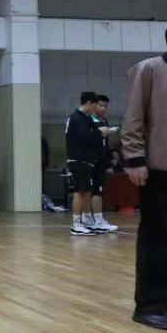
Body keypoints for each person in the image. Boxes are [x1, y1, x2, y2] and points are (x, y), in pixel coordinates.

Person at [121, 24, 167, 330]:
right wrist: (135, 159)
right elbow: (133, 118)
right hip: (158, 170)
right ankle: (150, 305)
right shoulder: (149, 70)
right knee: (157, 240)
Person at [65, 91, 103, 236]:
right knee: (80, 191)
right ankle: (76, 224)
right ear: (88, 103)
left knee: (86, 191)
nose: (95, 109)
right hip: (79, 159)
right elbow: (84, 138)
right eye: (94, 105)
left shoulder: (83, 118)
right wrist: (100, 133)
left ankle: (85, 221)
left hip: (85, 160)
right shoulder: (77, 118)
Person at [86, 94, 119, 233]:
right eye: (101, 105)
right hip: (91, 161)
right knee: (93, 191)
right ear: (94, 105)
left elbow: (105, 144)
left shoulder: (104, 121)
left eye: (106, 106)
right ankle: (93, 221)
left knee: (98, 190)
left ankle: (96, 220)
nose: (103, 108)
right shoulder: (88, 120)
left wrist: (110, 159)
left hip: (102, 161)